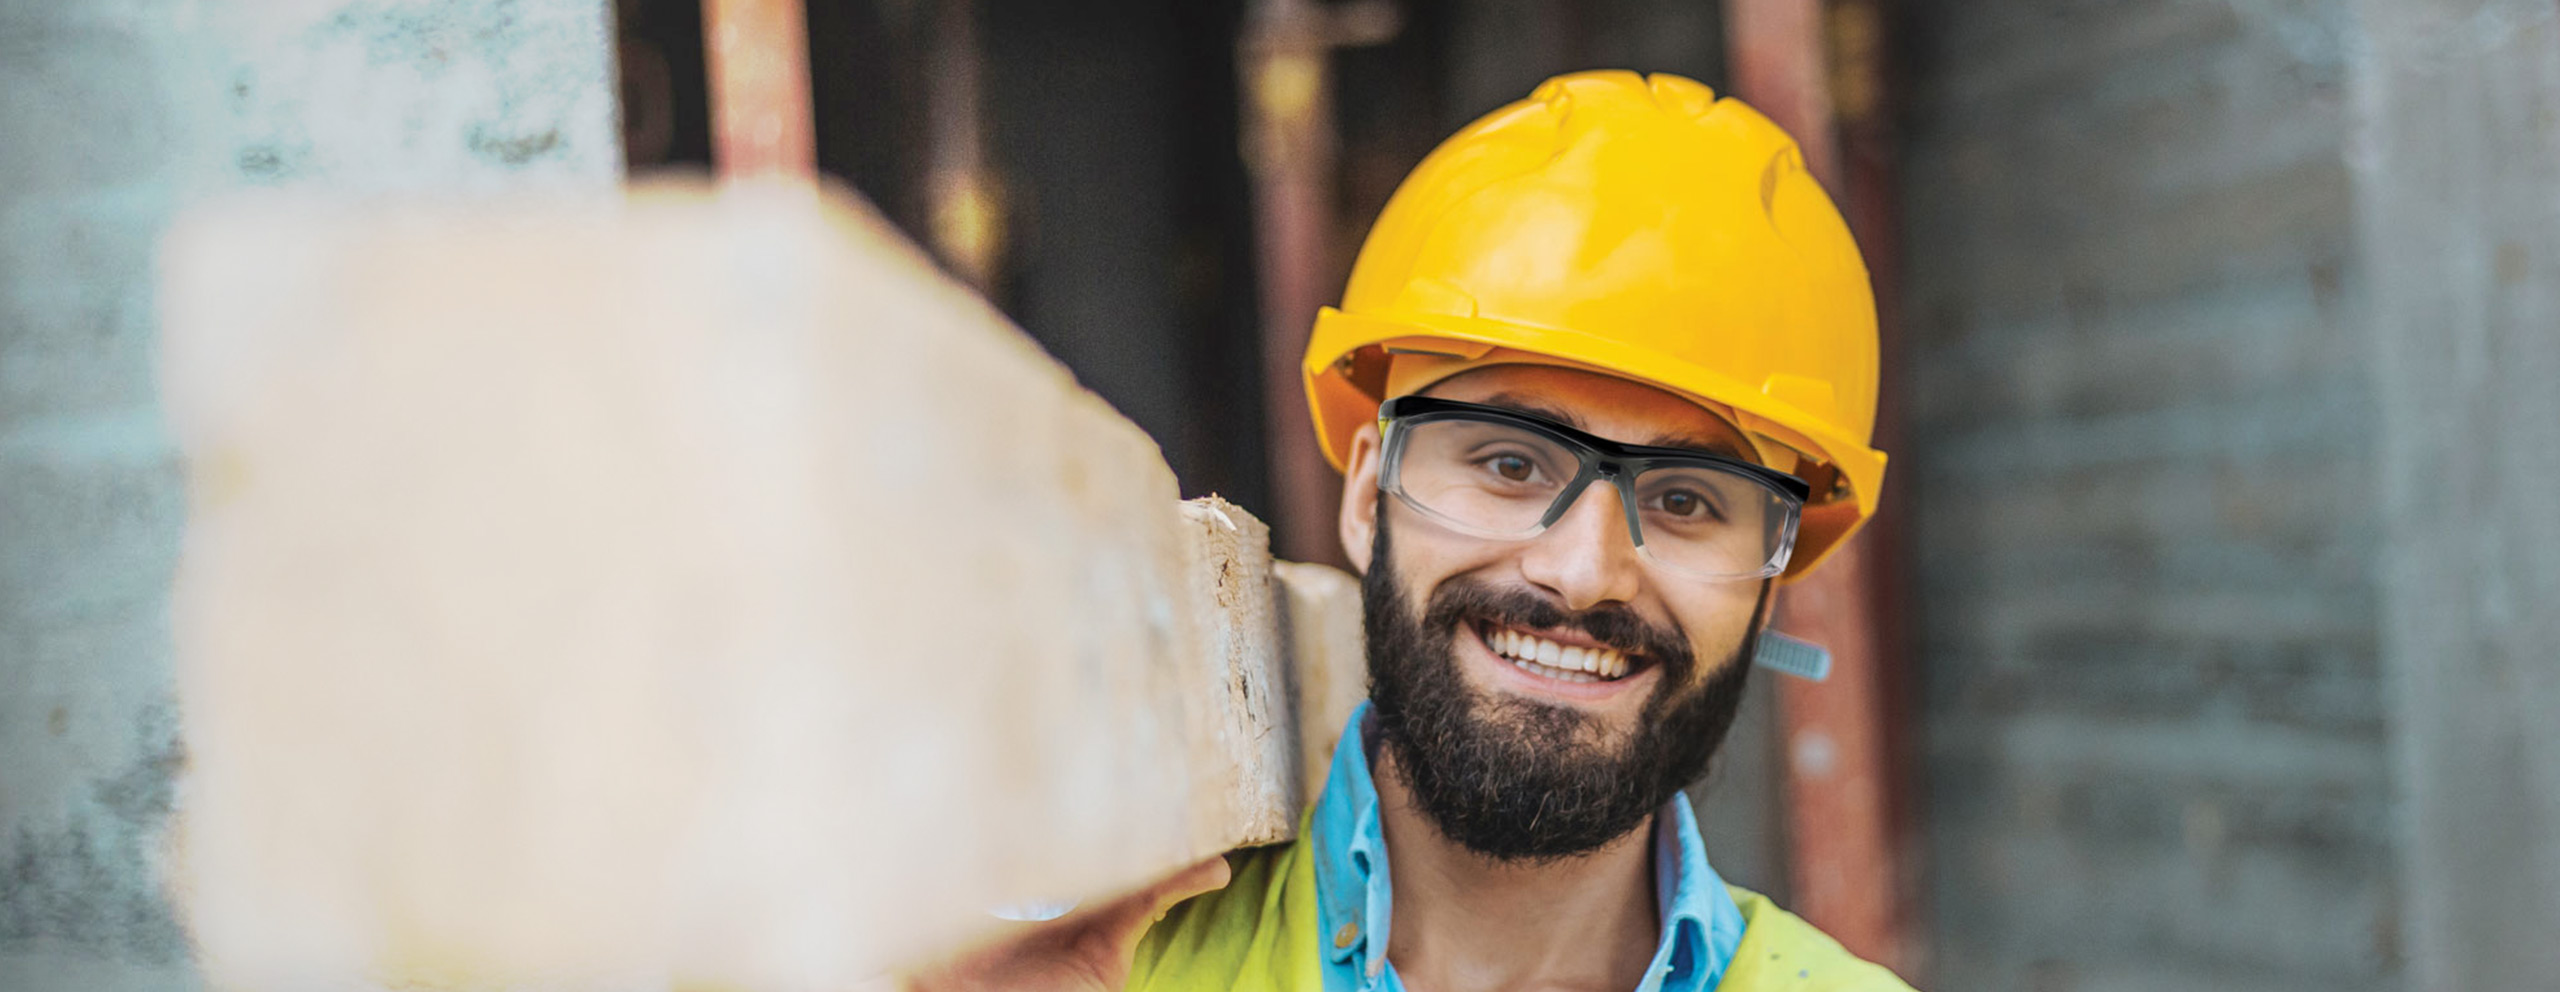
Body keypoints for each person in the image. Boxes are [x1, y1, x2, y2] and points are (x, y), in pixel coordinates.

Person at [913, 68, 1914, 992]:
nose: (1582, 571)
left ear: (1771, 579)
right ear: (1364, 497)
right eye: (1511, 464)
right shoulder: (1099, 964)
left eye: (1687, 500)